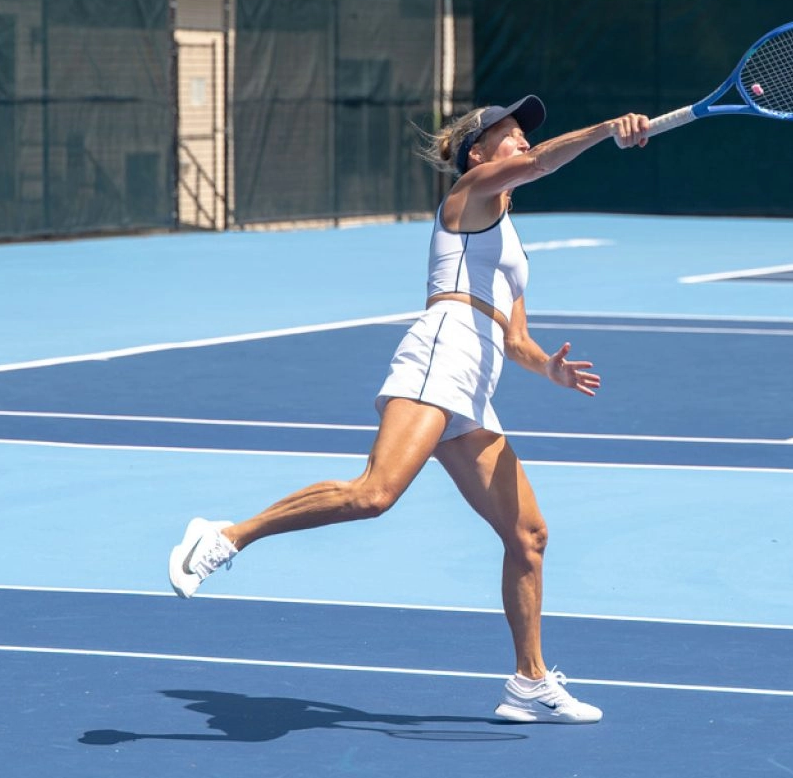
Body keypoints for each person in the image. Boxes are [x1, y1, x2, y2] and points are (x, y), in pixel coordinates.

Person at [166, 95, 650, 725]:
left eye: (523, 135)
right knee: (374, 495)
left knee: (528, 536)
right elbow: (539, 168)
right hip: (440, 350)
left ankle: (529, 684)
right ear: (477, 153)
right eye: (509, 135)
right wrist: (609, 126)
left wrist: (549, 369)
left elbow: (516, 339)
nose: (522, 143)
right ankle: (226, 535)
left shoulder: (512, 245)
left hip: (477, 380)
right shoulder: (471, 195)